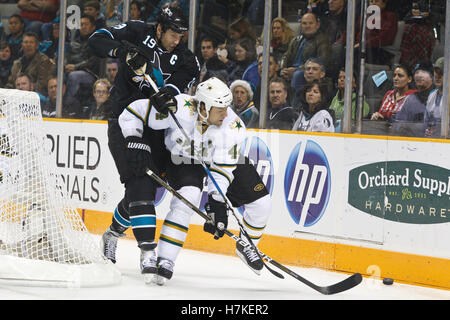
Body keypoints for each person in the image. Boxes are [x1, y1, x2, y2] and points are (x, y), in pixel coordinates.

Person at [117, 77, 272, 284]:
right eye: (220, 109)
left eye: (227, 107)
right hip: (183, 159)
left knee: (262, 204)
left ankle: (248, 245)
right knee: (186, 198)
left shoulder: (232, 127)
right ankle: (165, 260)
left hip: (220, 160)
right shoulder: (179, 108)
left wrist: (217, 201)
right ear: (203, 107)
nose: (226, 114)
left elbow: (222, 169)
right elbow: (132, 112)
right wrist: (133, 138)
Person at [88, 6, 200, 278]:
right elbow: (96, 41)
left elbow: (179, 88)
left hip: (157, 128)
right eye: (173, 34)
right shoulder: (137, 32)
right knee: (139, 184)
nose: (177, 40)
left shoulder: (187, 59)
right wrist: (123, 52)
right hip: (124, 122)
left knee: (142, 191)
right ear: (159, 28)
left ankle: (113, 232)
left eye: (181, 35)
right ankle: (147, 253)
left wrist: (168, 95)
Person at [279, 12, 330, 91]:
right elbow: (286, 56)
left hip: (307, 72)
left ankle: (295, 103)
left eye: (310, 23)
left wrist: (298, 69)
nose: (307, 26)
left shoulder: (322, 40)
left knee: (297, 75)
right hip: (292, 71)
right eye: (304, 23)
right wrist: (284, 69)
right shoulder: (296, 40)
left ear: (317, 25)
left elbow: (322, 60)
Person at [65, 14, 102, 108]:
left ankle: (69, 104)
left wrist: (75, 67)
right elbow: (66, 56)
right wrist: (65, 65)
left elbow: (93, 61)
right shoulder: (74, 42)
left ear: (93, 27)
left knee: (74, 76)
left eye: (86, 24)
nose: (83, 27)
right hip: (72, 69)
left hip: (91, 74)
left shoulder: (97, 42)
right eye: (81, 24)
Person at [393, 61, 435, 128]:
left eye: (424, 72)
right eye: (417, 72)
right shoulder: (411, 99)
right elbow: (399, 124)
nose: (419, 75)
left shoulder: (437, 96)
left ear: (432, 77)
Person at [424, 57, 444, 137]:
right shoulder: (432, 94)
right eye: (436, 72)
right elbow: (426, 120)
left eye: (441, 73)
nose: (437, 76)